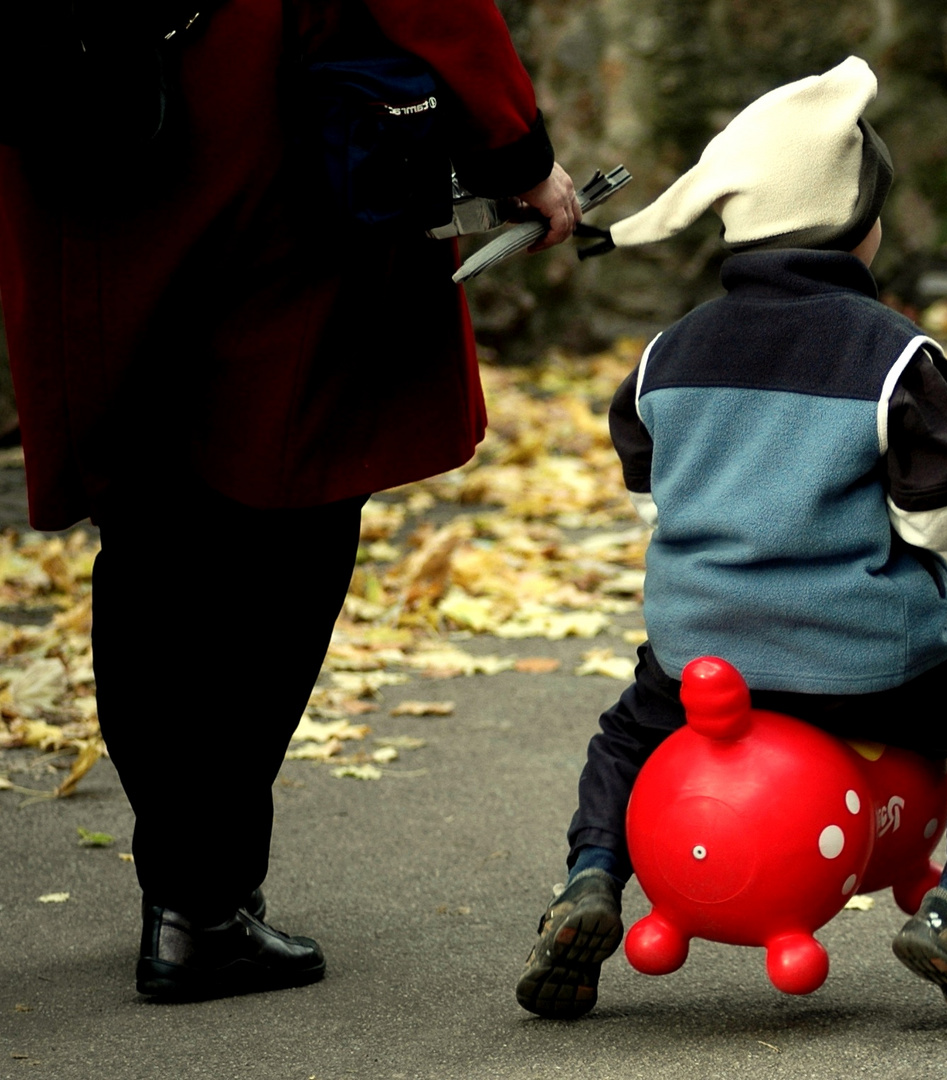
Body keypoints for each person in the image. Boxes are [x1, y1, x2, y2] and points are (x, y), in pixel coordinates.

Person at [0, 0, 580, 1000]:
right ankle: (196, 903)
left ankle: (186, 883)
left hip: (76, 117)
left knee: (150, 522)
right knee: (294, 500)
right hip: (261, 141)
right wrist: (517, 153)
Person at [515, 57, 947, 1029]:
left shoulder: (668, 352)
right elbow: (945, 511)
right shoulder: (891, 353)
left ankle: (588, 882)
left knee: (623, 739)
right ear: (852, 224)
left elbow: (652, 496)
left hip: (701, 657)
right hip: (865, 656)